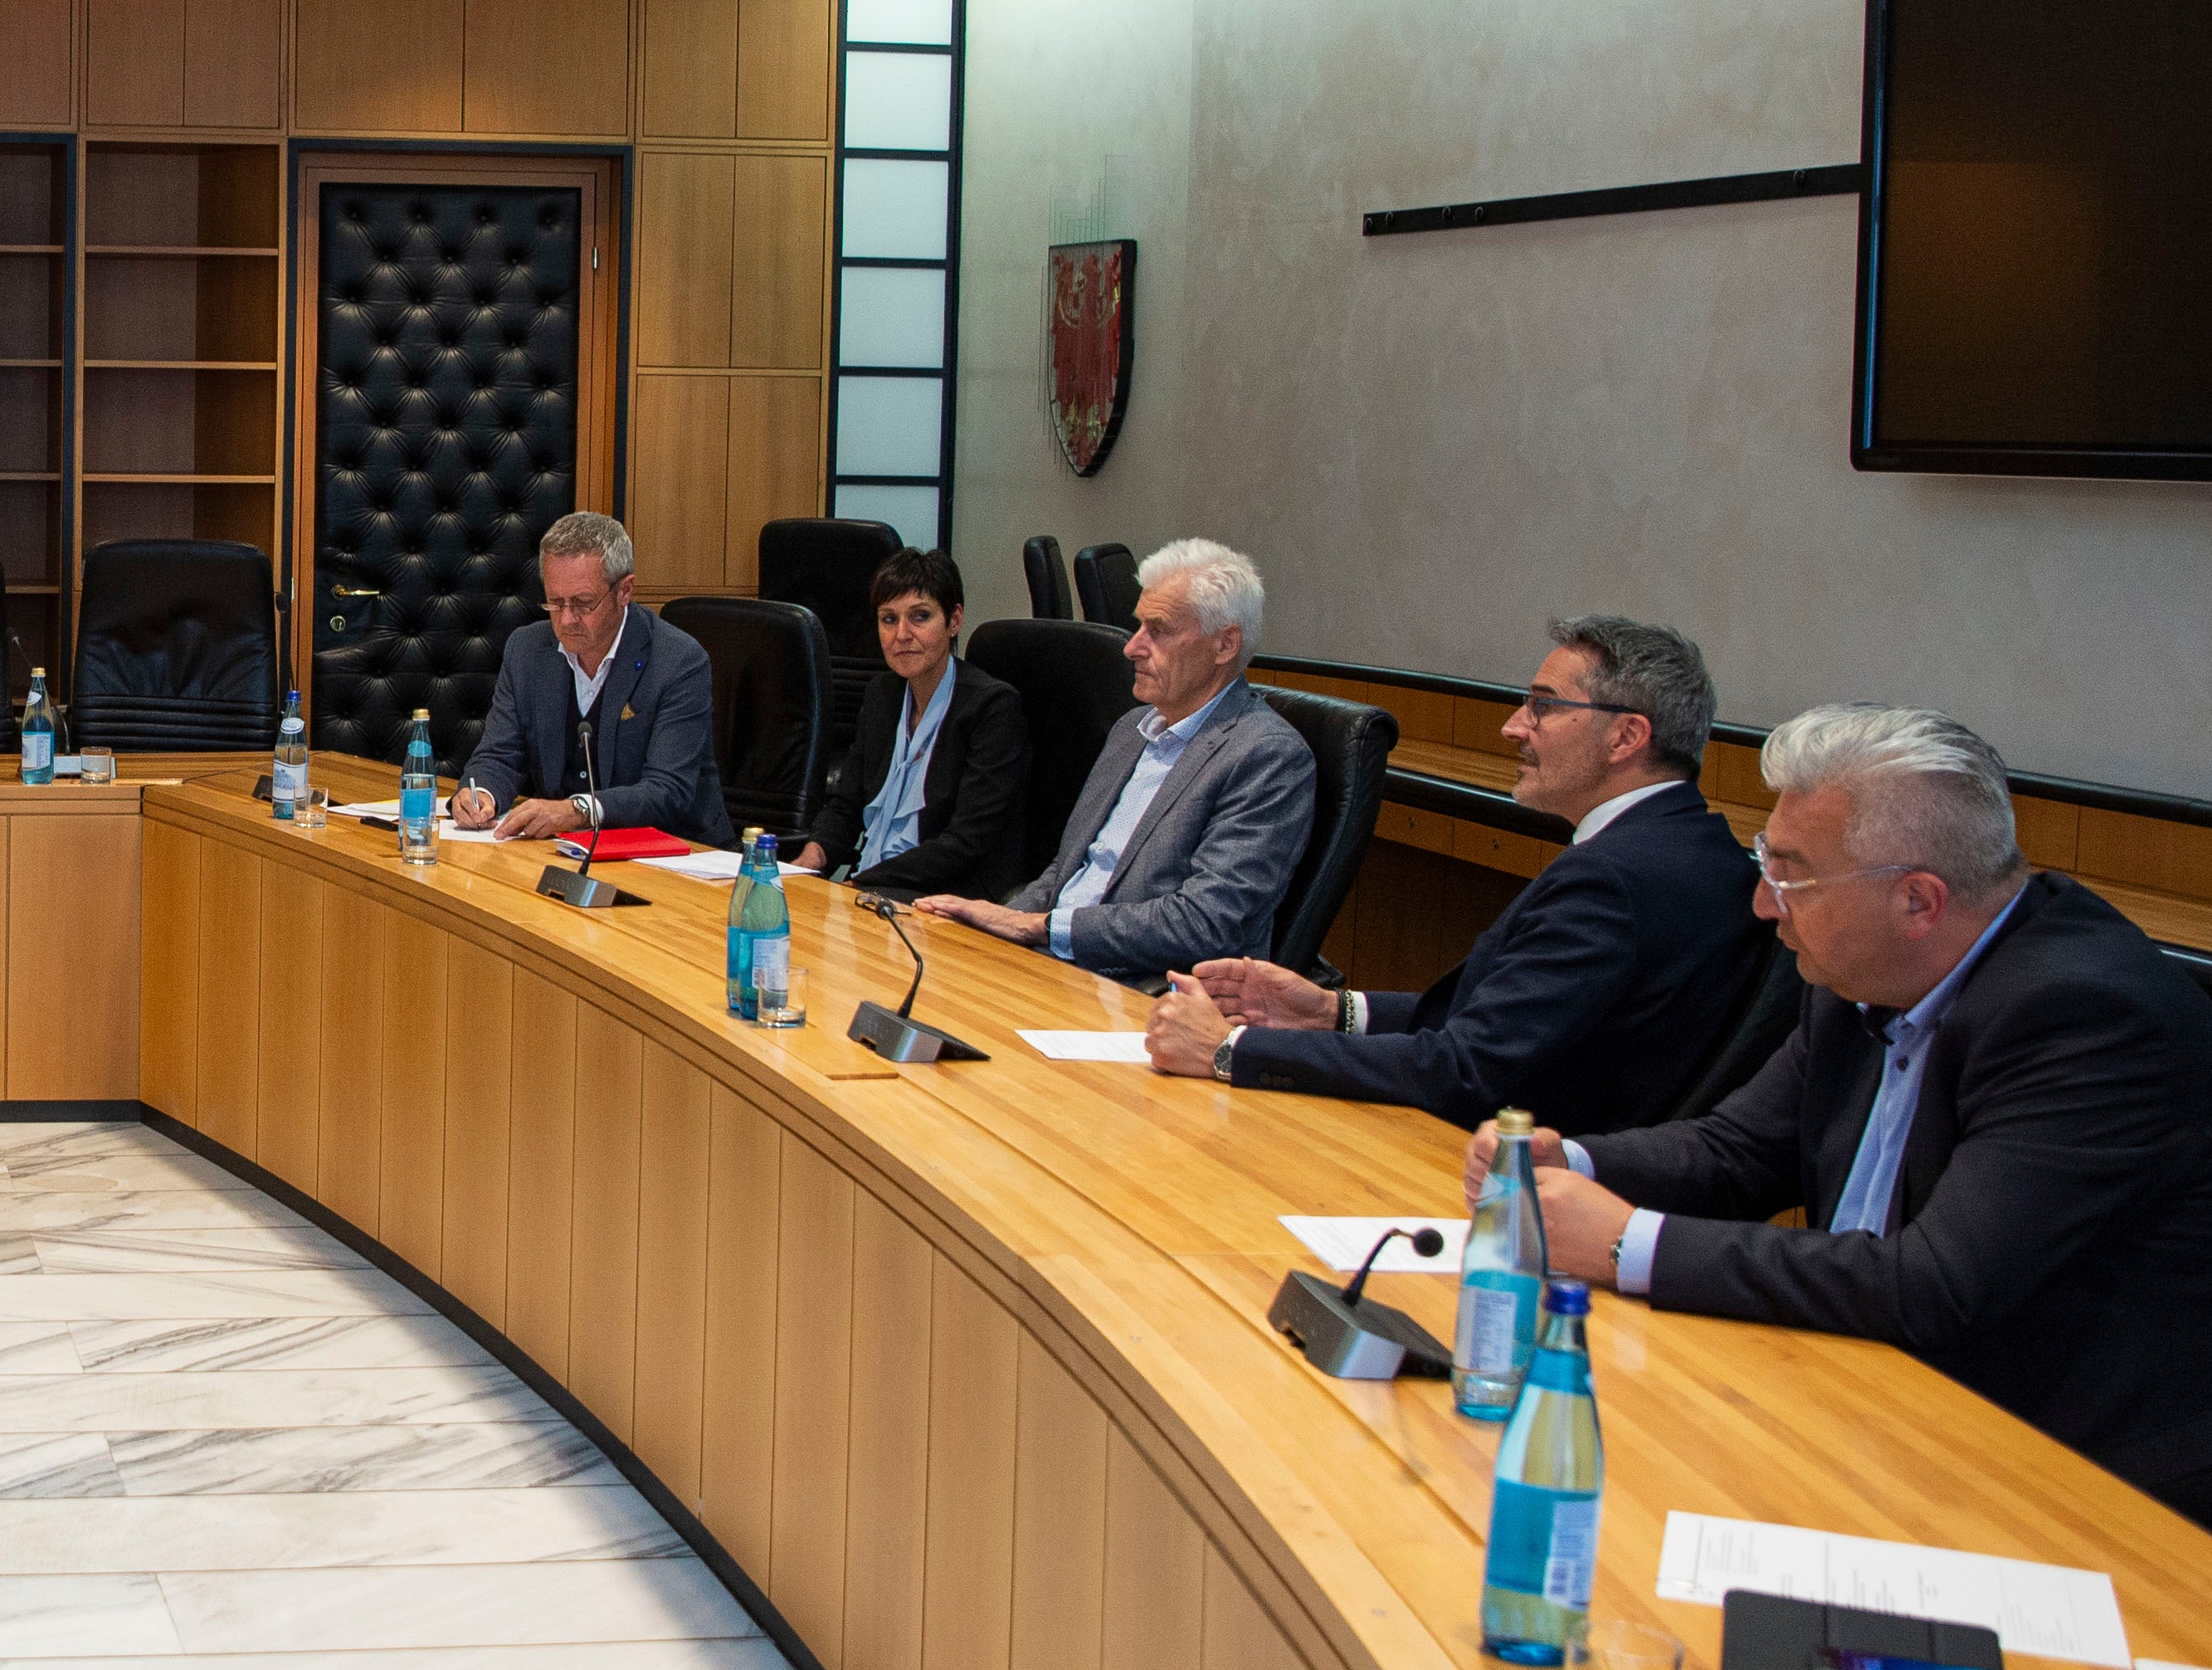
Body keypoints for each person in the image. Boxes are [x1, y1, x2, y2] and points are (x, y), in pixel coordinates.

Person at [1480, 704, 2212, 1517]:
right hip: (1868, 1406)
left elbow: (1932, 1285)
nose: (1764, 904)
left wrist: (1622, 1242)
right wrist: (1567, 1164)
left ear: (1918, 902)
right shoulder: (1861, 967)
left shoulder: (2084, 1017)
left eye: (1791, 874)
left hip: (2066, 1484)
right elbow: (1737, 1152)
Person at [1147, 615, 1760, 1127]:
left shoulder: (1616, 881)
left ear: (1627, 736)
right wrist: (1331, 1012)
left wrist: (1231, 1049)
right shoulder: (1693, 847)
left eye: (1543, 707)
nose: (1513, 726)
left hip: (1510, 1175)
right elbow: (1504, 1020)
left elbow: (1463, 1070)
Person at [918, 537, 1310, 982]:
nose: (1131, 647)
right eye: (1138, 627)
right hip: (1053, 961)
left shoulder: (1267, 756)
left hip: (1138, 990)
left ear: (1224, 646)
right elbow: (1065, 874)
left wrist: (1038, 927)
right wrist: (991, 925)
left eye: (1158, 631)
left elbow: (1205, 922)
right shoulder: (1132, 729)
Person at [453, 511, 728, 845]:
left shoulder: (678, 661)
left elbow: (667, 791)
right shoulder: (527, 650)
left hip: (672, 857)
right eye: (555, 603)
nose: (567, 620)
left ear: (624, 590)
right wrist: (480, 792)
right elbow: (499, 754)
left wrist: (580, 810)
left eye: (583, 604)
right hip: (561, 851)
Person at [792, 549, 1030, 898]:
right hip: (878, 887)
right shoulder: (881, 696)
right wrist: (806, 864)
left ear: (954, 621)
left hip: (949, 896)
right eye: (888, 619)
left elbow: (965, 842)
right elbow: (846, 806)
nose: (901, 634)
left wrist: (862, 883)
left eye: (920, 617)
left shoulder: (991, 707)